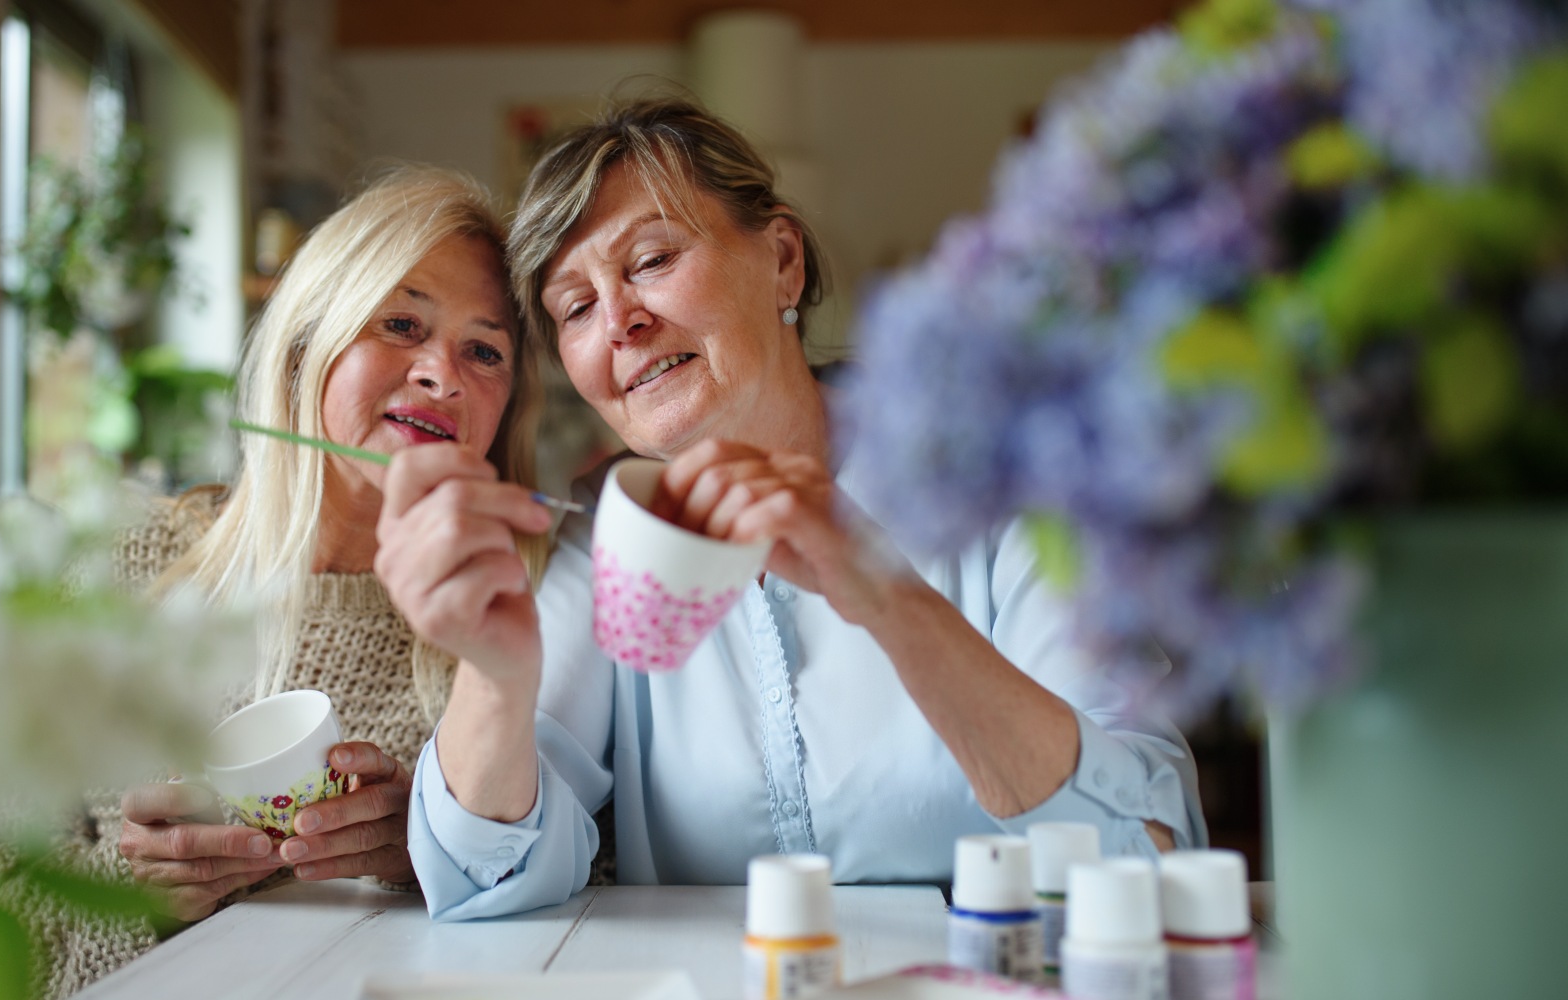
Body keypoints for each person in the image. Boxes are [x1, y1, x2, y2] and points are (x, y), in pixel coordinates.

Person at [375, 98, 1208, 921]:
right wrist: (496, 674)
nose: (621, 323)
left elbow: (1147, 850)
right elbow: (483, 878)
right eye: (577, 308)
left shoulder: (1005, 477)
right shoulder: (608, 532)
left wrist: (885, 594)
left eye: (653, 260)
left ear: (782, 259)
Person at [12, 165, 549, 997]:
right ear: (305, 348)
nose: (443, 373)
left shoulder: (515, 615)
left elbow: (581, 892)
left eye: (485, 350)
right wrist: (139, 902)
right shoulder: (119, 569)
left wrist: (433, 847)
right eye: (401, 323)